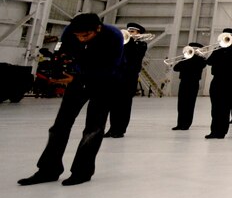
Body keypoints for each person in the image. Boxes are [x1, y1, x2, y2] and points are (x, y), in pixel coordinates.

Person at [18, 13, 123, 186]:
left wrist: (78, 78)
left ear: (98, 28)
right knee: (59, 126)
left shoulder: (113, 36)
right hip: (76, 80)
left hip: (105, 82)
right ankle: (48, 170)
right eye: (78, 36)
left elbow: (110, 69)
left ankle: (82, 171)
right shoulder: (70, 32)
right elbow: (63, 54)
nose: (81, 39)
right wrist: (59, 68)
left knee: (93, 129)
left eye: (86, 36)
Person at [105, 22, 148, 138]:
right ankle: (112, 128)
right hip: (117, 76)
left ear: (139, 33)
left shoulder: (141, 45)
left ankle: (120, 130)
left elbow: (134, 56)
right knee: (113, 105)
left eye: (132, 32)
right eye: (128, 31)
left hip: (130, 78)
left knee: (124, 105)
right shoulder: (121, 44)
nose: (129, 33)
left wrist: (131, 41)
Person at [206, 28, 232, 139]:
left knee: (225, 108)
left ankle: (222, 132)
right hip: (216, 81)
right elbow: (209, 62)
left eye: (228, 36)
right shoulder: (217, 50)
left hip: (229, 82)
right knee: (215, 108)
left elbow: (230, 64)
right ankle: (214, 131)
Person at [172, 43, 207, 130]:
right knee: (181, 104)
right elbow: (176, 68)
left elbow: (200, 66)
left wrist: (193, 57)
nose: (193, 51)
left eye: (195, 49)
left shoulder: (201, 60)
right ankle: (179, 124)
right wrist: (186, 58)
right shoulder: (185, 58)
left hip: (193, 83)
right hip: (183, 82)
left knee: (190, 104)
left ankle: (186, 124)